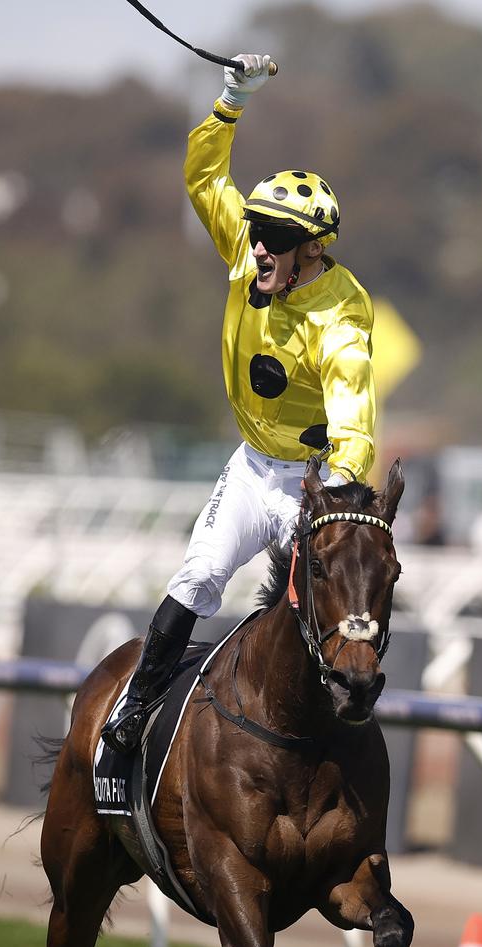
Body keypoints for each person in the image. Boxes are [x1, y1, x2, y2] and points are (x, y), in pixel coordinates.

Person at [102, 54, 377, 753]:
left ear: (312, 250)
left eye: (276, 239)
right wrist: (229, 102)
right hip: (255, 468)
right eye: (255, 229)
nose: (257, 247)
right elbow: (202, 178)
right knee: (199, 576)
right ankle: (130, 717)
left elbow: (353, 416)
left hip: (316, 485)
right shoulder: (246, 253)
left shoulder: (341, 318)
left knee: (316, 606)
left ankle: (332, 731)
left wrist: (339, 486)